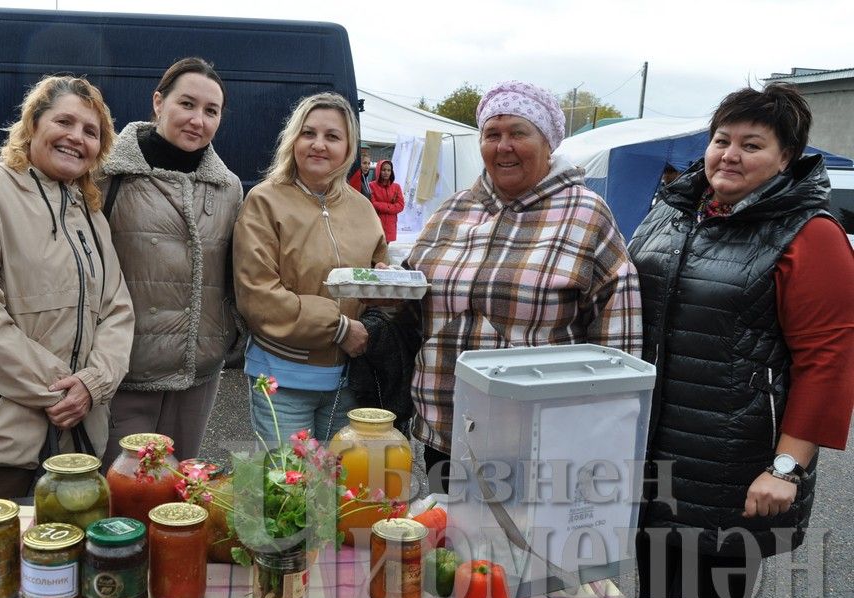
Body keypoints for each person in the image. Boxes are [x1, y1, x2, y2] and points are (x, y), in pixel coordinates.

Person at [628, 83, 854, 598]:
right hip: (655, 460)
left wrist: (787, 467)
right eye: (721, 139)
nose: (729, 154)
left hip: (735, 471)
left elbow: (828, 358)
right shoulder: (673, 215)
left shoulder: (810, 234)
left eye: (751, 144)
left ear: (787, 158)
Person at [404, 80, 642, 489]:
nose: (503, 145)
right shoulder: (454, 208)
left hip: (538, 441)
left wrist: (604, 435)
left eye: (518, 132)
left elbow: (618, 334)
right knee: (454, 548)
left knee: (525, 552)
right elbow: (412, 292)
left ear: (548, 143)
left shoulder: (585, 213)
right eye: (492, 134)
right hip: (446, 430)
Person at [0, 75, 135, 499]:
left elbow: (117, 311)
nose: (77, 138)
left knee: (64, 563)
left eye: (90, 132)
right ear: (33, 124)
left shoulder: (91, 218)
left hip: (78, 447)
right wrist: (62, 389)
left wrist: (93, 384)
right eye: (65, 122)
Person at [99, 58, 243, 467]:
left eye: (210, 111)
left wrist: (229, 331)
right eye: (187, 104)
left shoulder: (229, 187)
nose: (198, 120)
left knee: (178, 493)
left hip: (197, 371)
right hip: (125, 369)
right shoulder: (108, 174)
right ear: (159, 102)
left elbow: (236, 270)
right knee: (124, 494)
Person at [234, 92, 388, 444]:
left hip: (349, 379)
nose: (318, 145)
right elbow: (258, 294)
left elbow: (379, 274)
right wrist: (338, 328)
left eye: (332, 136)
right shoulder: (264, 200)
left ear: (348, 146)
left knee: (339, 489)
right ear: (293, 140)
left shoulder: (364, 209)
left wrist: (385, 287)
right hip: (283, 379)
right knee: (291, 492)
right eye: (308, 133)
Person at [369, 159, 405, 243]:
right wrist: (391, 206)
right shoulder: (371, 186)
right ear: (378, 171)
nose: (386, 172)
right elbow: (372, 203)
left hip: (390, 223)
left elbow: (400, 205)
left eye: (389, 170)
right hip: (377, 222)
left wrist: (381, 206)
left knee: (385, 248)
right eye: (383, 170)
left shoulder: (396, 187)